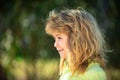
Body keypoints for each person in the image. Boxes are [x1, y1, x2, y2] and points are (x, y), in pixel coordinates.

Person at [45, 8, 108, 80]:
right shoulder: (68, 69)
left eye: (59, 38)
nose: (55, 44)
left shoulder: (92, 74)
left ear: (77, 39)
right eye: (55, 39)